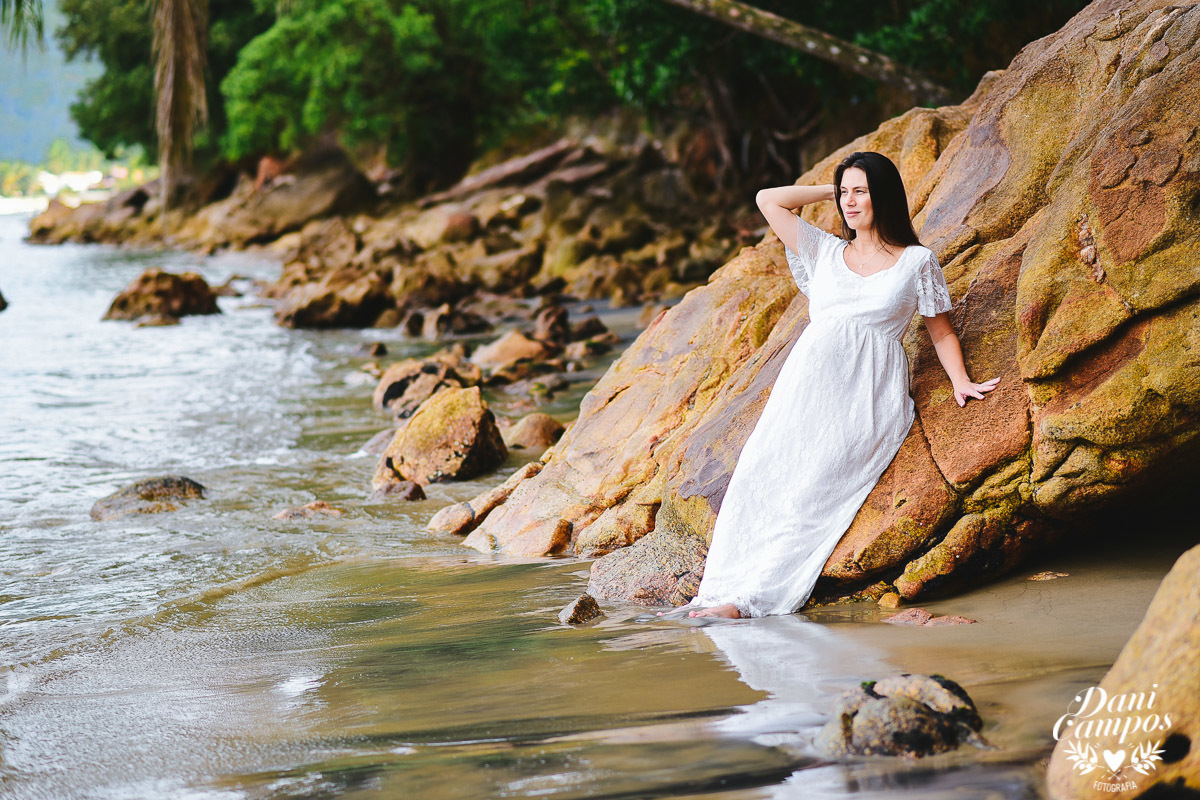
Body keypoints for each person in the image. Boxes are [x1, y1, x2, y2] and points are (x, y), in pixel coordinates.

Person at [670, 151, 998, 619]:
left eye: (861, 191)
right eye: (845, 193)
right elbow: (769, 200)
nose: (849, 201)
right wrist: (834, 187)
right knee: (758, 480)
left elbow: (940, 330)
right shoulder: (824, 250)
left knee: (812, 495)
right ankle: (717, 590)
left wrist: (960, 382)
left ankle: (749, 602)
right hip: (803, 393)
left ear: (884, 195)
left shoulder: (916, 261)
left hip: (866, 398)